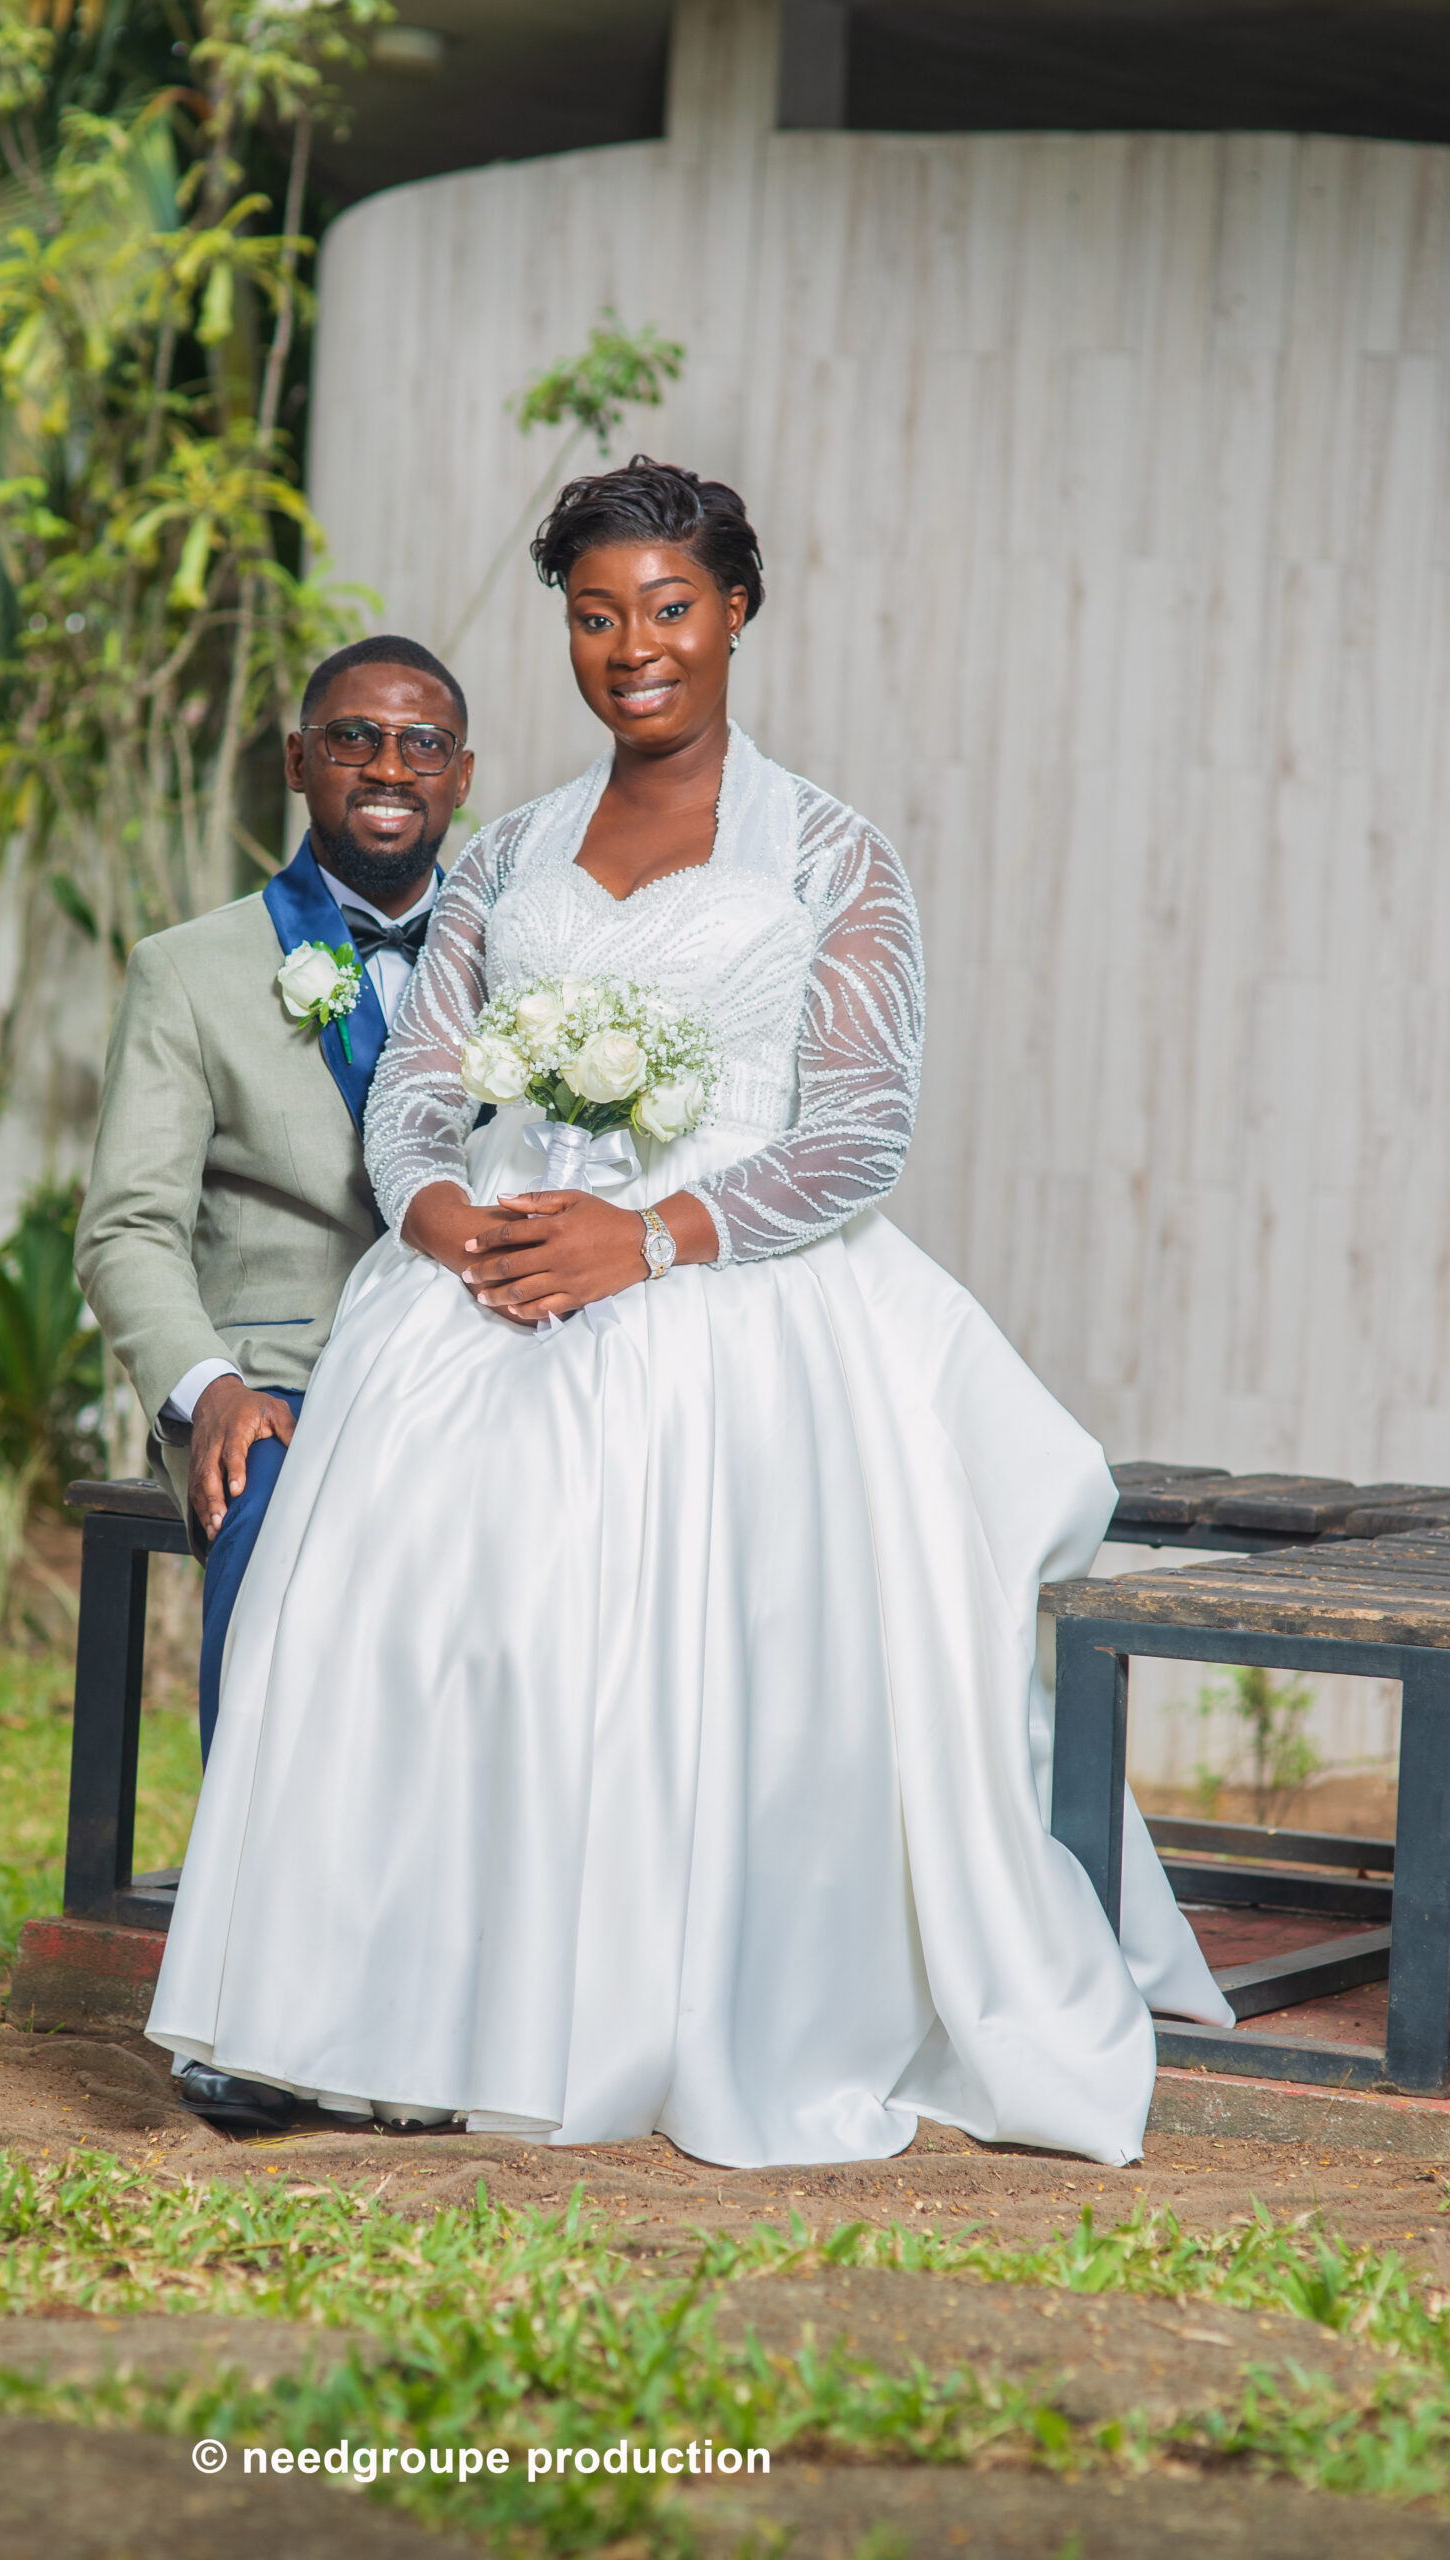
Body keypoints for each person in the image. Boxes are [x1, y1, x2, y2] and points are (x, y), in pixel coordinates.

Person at [145, 458, 1229, 2168]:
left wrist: (647, 1240)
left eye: (667, 609)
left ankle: (611, 2008)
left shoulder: (834, 855)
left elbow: (860, 1132)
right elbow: (420, 1088)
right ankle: (361, 2014)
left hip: (730, 1286)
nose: (632, 646)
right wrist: (443, 1219)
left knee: (624, 1622)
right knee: (392, 1608)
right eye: (595, 617)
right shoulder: (510, 852)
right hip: (490, 1271)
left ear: (735, 613)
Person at [75, 632, 474, 2129]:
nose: (388, 768)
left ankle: (466, 2008)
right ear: (301, 761)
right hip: (285, 1390)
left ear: (461, 775)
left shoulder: (526, 963)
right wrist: (209, 1389)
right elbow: (127, 1228)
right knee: (284, 1528)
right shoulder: (188, 971)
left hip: (480, 1388)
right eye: (354, 738)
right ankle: (257, 2012)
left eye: (420, 744)